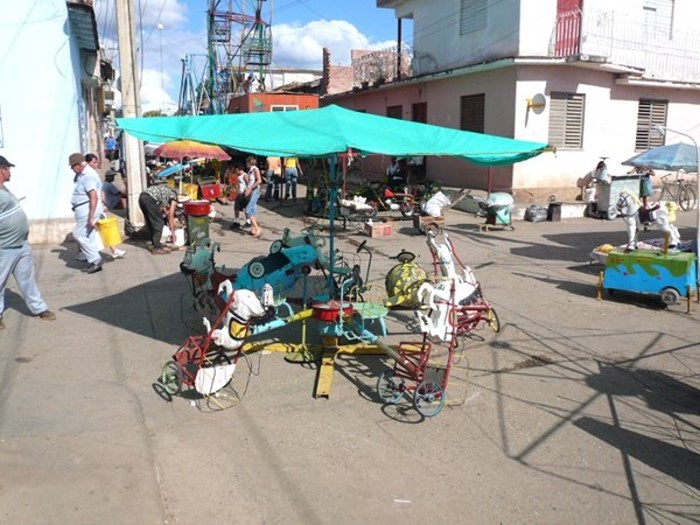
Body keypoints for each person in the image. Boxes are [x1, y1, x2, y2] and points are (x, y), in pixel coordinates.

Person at [0, 155, 56, 328]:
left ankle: (39, 308)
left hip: (21, 245)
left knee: (28, 280)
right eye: (8, 168)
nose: (10, 172)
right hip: (4, 247)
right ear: (1, 170)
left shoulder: (4, 190)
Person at [69, 153, 105, 274]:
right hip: (84, 209)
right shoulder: (82, 174)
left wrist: (90, 217)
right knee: (88, 236)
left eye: (72, 166)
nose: (71, 169)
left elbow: (93, 196)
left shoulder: (88, 175)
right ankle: (93, 261)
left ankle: (95, 259)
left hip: (87, 209)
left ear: (78, 165)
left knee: (78, 234)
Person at [138, 182, 178, 255]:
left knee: (151, 221)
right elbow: (171, 215)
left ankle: (154, 243)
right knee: (159, 222)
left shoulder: (164, 189)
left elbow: (163, 208)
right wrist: (173, 233)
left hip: (142, 197)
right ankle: (157, 248)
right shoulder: (174, 196)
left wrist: (166, 212)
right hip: (149, 198)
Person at [244, 156, 262, 237]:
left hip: (255, 191)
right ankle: (253, 228)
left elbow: (259, 180)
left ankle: (257, 228)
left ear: (249, 162)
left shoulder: (255, 169)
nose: (246, 165)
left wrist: (250, 188)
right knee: (253, 210)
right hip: (252, 191)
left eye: (246, 163)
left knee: (247, 210)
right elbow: (249, 181)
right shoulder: (250, 171)